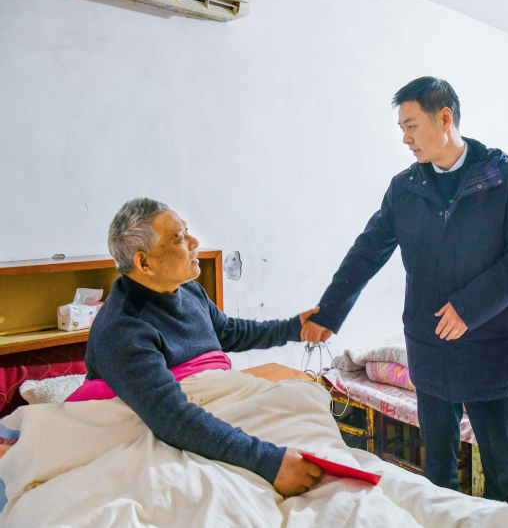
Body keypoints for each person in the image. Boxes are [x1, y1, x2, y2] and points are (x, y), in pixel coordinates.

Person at [302, 77, 508, 507]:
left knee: (503, 475)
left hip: (489, 344)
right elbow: (367, 252)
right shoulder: (406, 188)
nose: (405, 138)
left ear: (444, 118)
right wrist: (329, 312)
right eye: (401, 128)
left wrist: (468, 307)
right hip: (430, 344)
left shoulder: (506, 177)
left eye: (411, 125)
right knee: (437, 473)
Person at [76, 198, 323, 497]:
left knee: (306, 397)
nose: (195, 242)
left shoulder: (190, 290)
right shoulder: (123, 329)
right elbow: (171, 418)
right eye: (179, 238)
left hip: (208, 409)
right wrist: (267, 462)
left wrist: (295, 328)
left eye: (187, 230)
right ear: (144, 263)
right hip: (168, 425)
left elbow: (228, 332)